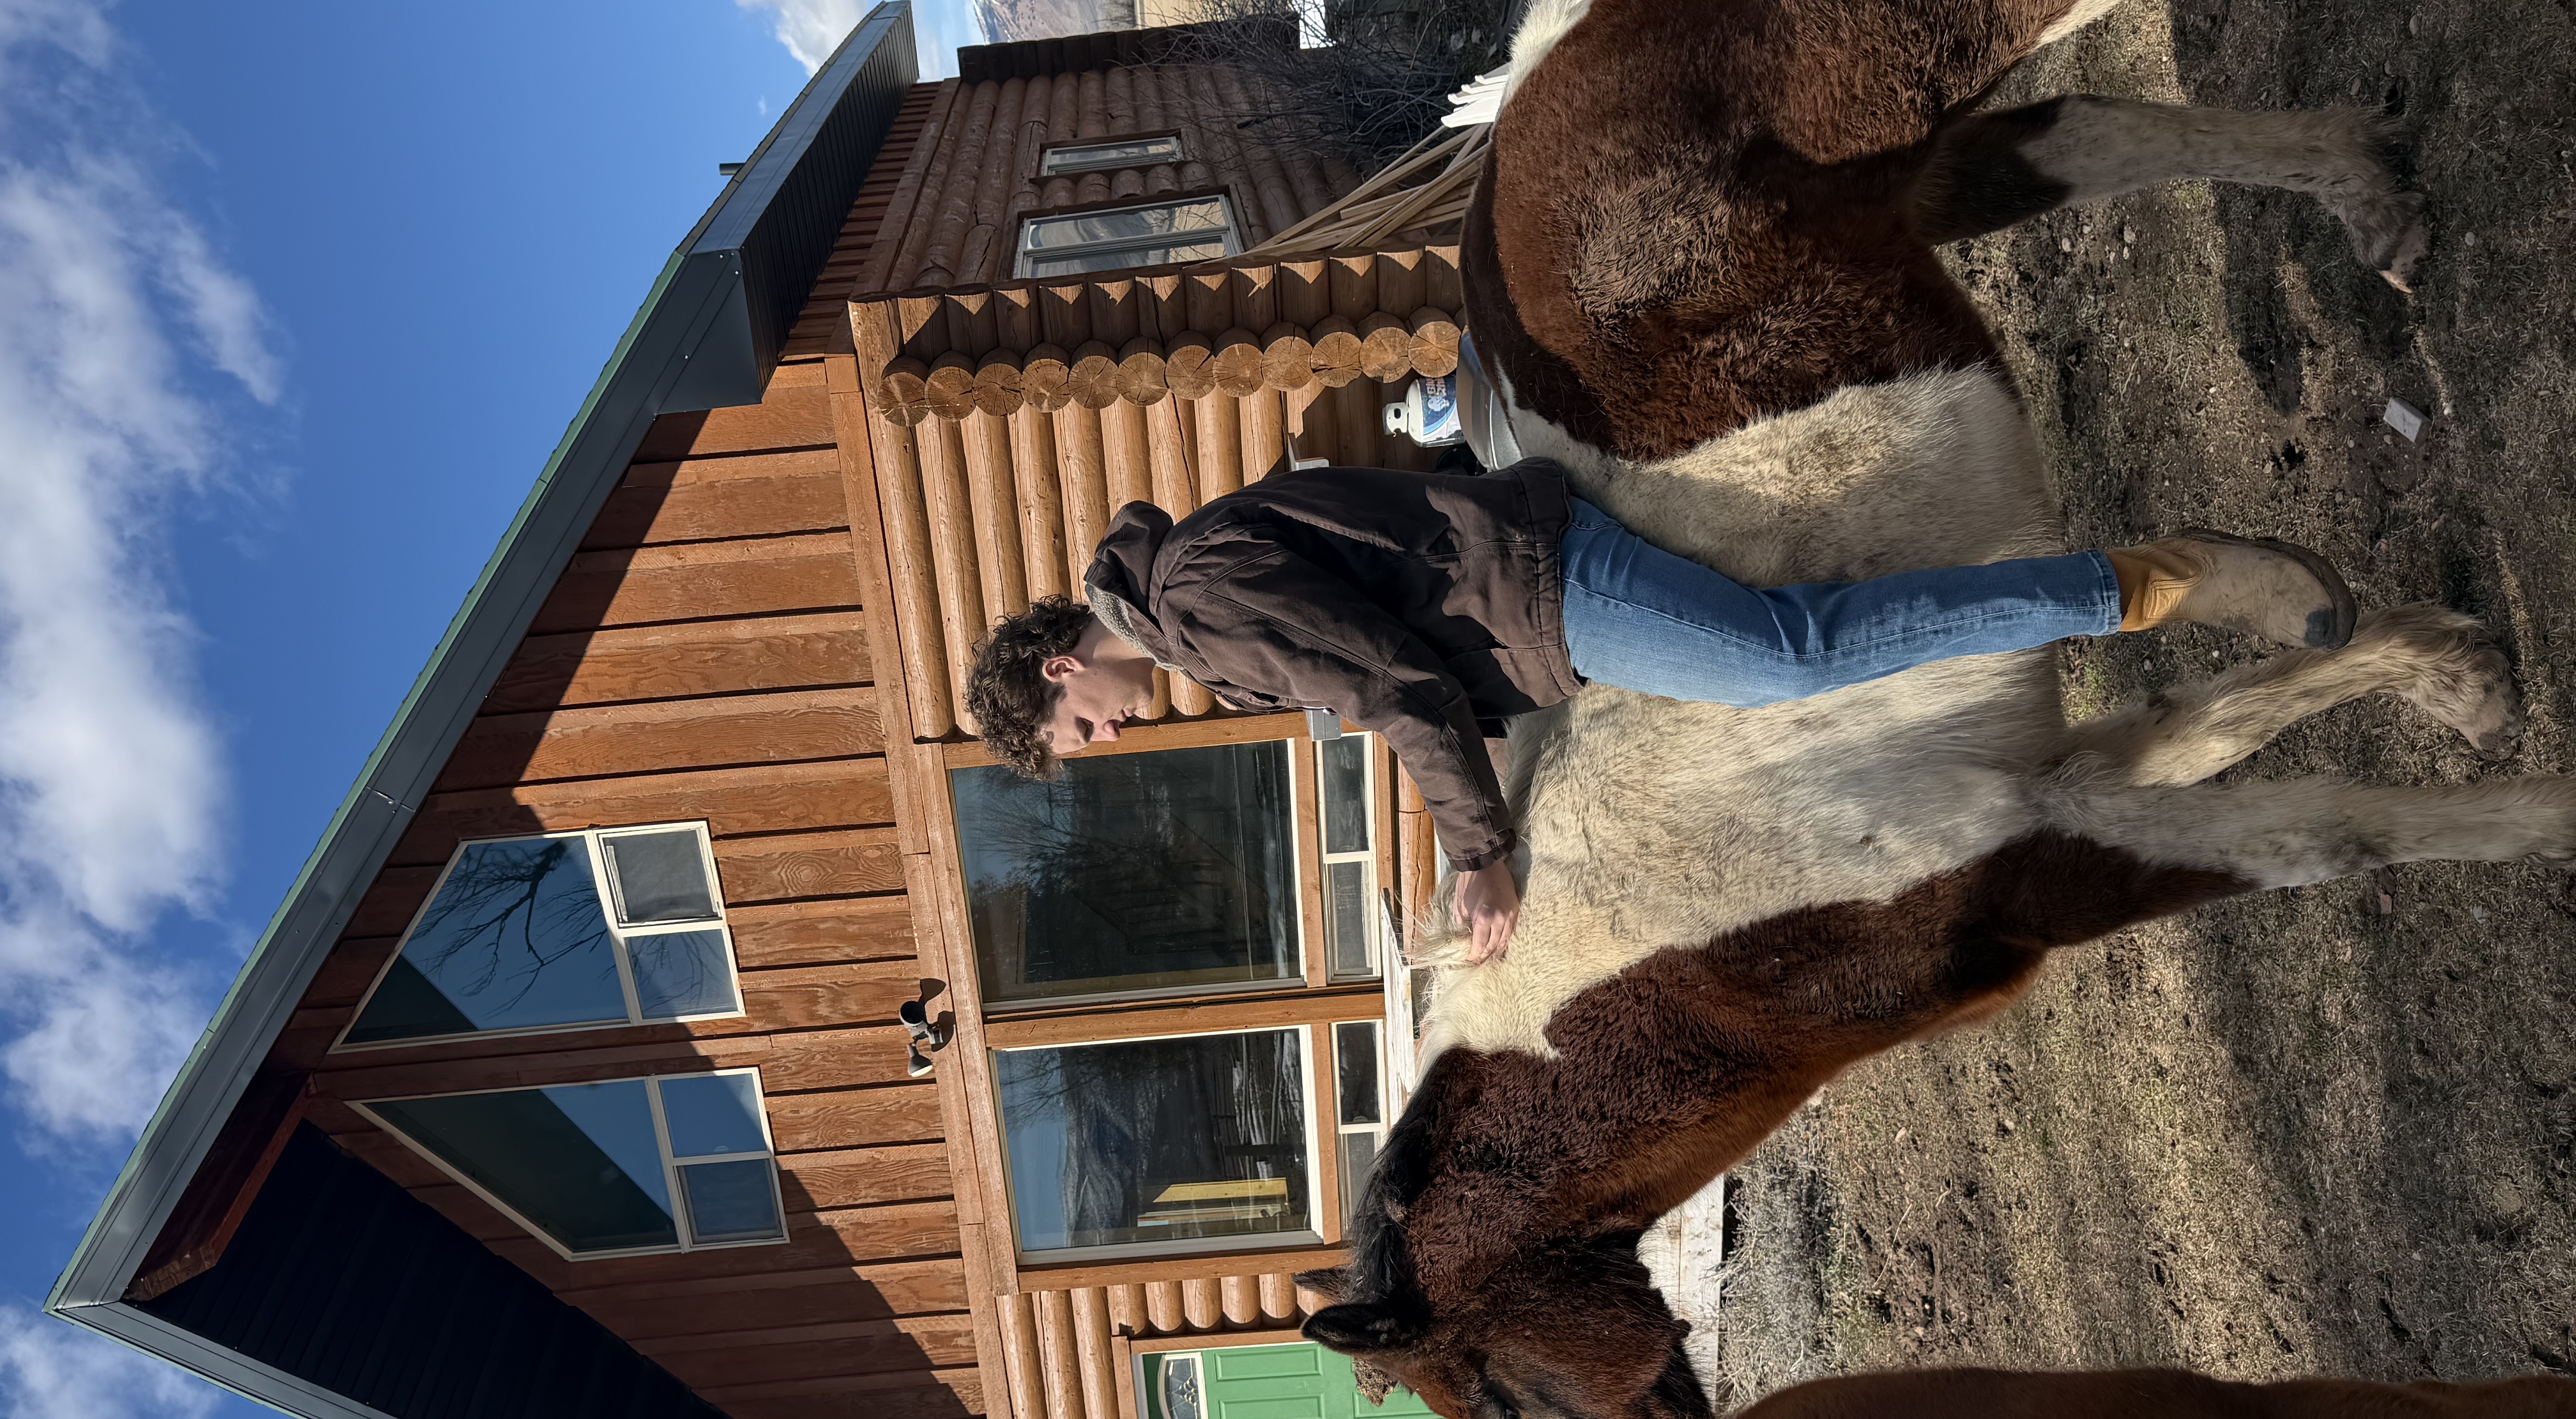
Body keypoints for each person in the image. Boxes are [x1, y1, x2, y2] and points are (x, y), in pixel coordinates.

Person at [959, 461, 2356, 965]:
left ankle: (2147, 583)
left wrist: (1478, 856)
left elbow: (1398, 687)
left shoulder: (1195, 600)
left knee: (1790, 661)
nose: (1111, 741)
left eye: (1083, 735)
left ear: (1060, 672)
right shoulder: (1193, 616)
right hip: (1528, 619)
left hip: (1549, 587)